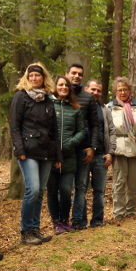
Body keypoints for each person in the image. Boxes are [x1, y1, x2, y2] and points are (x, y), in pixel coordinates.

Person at [10, 63, 61, 245]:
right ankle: (25, 231)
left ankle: (35, 228)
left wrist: (58, 156)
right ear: (27, 77)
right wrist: (19, 149)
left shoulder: (48, 99)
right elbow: (15, 126)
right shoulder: (20, 97)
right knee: (33, 190)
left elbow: (54, 129)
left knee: (40, 192)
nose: (34, 78)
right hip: (28, 150)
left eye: (37, 76)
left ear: (43, 77)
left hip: (46, 151)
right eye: (30, 75)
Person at [47, 74, 86, 234]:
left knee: (65, 189)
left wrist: (71, 143)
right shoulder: (48, 105)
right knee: (51, 190)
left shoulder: (75, 108)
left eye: (66, 86)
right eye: (60, 85)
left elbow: (82, 130)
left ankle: (65, 220)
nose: (63, 87)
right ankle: (56, 222)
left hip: (69, 156)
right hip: (50, 157)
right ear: (55, 87)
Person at [71, 79, 110, 229]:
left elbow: (110, 131)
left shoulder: (104, 109)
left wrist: (110, 152)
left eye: (99, 90)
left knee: (99, 191)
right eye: (93, 89)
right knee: (81, 188)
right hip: (84, 154)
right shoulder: (78, 105)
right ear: (86, 89)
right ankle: (80, 221)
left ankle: (97, 220)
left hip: (101, 155)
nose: (95, 93)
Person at [67, 65, 102, 230]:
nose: (76, 76)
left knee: (81, 186)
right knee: (64, 187)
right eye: (73, 73)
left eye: (80, 74)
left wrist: (92, 147)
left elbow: (95, 125)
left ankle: (78, 222)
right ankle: (61, 221)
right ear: (67, 74)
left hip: (83, 149)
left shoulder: (88, 98)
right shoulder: (59, 94)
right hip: (64, 150)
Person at [105, 77, 136, 220]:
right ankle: (119, 212)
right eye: (119, 90)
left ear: (130, 90)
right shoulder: (109, 107)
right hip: (118, 147)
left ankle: (131, 210)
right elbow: (107, 130)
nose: (122, 92)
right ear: (115, 91)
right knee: (119, 180)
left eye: (125, 89)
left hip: (135, 145)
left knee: (134, 181)